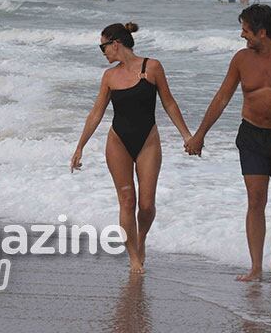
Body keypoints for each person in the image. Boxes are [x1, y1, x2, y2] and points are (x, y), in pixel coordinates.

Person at [185, 4, 271, 281]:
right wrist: (199, 134)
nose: (242, 35)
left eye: (245, 30)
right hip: (252, 135)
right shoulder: (241, 59)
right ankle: (255, 267)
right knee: (255, 199)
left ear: (262, 32)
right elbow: (222, 98)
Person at [71, 23, 192, 274]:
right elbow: (96, 114)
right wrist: (80, 147)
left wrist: (186, 135)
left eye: (102, 46)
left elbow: (169, 103)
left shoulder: (152, 67)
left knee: (146, 205)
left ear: (115, 43)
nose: (102, 52)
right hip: (118, 142)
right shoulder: (109, 76)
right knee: (127, 201)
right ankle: (134, 257)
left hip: (148, 141)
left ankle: (141, 238)